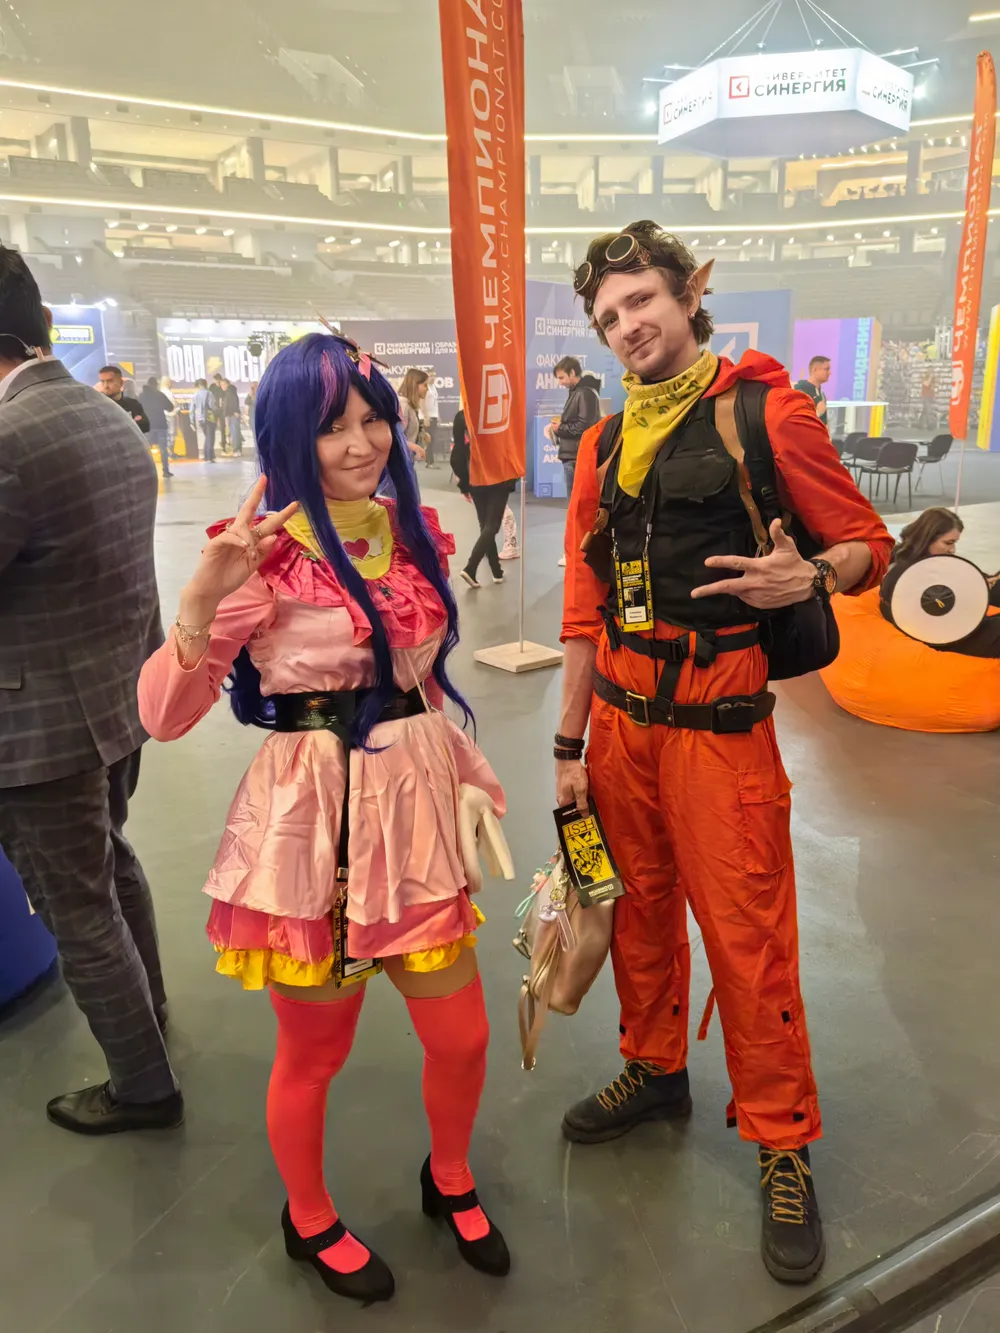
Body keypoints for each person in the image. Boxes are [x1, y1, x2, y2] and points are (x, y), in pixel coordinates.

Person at [137, 334, 510, 1303]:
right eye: (332, 425)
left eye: (372, 418)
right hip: (314, 832)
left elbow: (423, 685)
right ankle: (308, 1218)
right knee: (314, 1053)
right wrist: (201, 596)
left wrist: (468, 776)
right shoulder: (263, 555)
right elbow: (162, 716)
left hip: (416, 821)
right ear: (287, 437)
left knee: (463, 1036)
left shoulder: (413, 529)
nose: (360, 442)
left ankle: (450, 1175)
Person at [557, 221, 892, 1284]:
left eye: (642, 301)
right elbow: (582, 605)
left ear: (690, 294)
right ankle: (653, 1066)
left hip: (720, 728)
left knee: (748, 939)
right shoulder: (602, 445)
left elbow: (868, 545)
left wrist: (814, 576)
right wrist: (568, 743)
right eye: (609, 317)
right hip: (620, 726)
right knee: (636, 913)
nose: (628, 326)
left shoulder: (765, 413)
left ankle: (782, 1139)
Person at [0, 246, 180, 1134]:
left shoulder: (9, 440)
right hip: (114, 699)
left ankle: (141, 1085)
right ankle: (152, 1016)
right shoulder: (103, 414)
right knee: (111, 865)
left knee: (77, 907)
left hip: (39, 725)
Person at [879, 508, 1000, 658]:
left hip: (952, 626)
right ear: (927, 538)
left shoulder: (929, 562)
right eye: (948, 543)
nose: (952, 550)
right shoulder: (907, 572)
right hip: (943, 636)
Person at [451, 406, 514, 589]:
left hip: (476, 475)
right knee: (491, 526)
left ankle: (496, 571)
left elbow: (458, 453)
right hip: (499, 473)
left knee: (486, 525)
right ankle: (471, 568)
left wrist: (464, 484)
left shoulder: (463, 415)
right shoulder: (499, 411)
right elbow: (511, 446)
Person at [98, 364, 150, 434]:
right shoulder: (96, 406)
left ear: (121, 383)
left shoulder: (133, 404)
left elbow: (146, 427)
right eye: (102, 381)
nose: (105, 386)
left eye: (110, 381)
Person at [140, 374, 175, 478]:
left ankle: (146, 471)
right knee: (163, 450)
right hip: (160, 425)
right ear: (156, 385)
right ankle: (166, 471)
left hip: (147, 426)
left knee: (146, 450)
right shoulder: (159, 395)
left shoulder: (141, 396)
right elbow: (170, 407)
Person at [398, 368, 429, 463]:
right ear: (415, 385)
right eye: (425, 385)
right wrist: (415, 447)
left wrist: (422, 435)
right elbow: (396, 437)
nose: (427, 389)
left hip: (407, 460)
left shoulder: (411, 406)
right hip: (400, 461)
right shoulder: (403, 406)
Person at [793, 356, 830, 423]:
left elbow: (824, 421)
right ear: (814, 370)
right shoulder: (801, 391)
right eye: (826, 369)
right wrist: (818, 413)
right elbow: (797, 420)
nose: (829, 373)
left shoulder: (822, 394)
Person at [190, 377, 216, 462]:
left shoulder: (195, 395)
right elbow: (212, 406)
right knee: (210, 437)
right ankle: (209, 457)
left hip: (200, 419)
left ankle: (206, 455)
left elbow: (191, 410)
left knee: (207, 436)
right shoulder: (209, 393)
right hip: (209, 418)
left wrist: (192, 421)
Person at [221, 376, 242, 456]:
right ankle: (237, 450)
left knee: (235, 433)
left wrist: (234, 411)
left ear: (228, 384)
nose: (222, 386)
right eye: (221, 385)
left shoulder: (231, 392)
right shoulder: (228, 392)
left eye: (224, 384)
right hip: (230, 415)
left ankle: (237, 450)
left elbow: (233, 403)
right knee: (234, 433)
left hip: (232, 415)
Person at [424, 369, 440, 467]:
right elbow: (422, 404)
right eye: (431, 376)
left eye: (434, 376)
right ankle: (429, 462)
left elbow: (435, 403)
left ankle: (430, 461)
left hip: (434, 416)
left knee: (433, 439)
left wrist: (438, 415)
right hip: (427, 417)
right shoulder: (425, 388)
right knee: (429, 439)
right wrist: (425, 417)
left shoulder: (434, 387)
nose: (433, 378)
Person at [209, 371, 226, 450]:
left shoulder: (223, 386)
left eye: (218, 382)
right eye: (216, 382)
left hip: (222, 410)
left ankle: (223, 444)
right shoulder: (212, 387)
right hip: (214, 410)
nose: (217, 383)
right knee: (212, 428)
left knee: (223, 428)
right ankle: (211, 446)